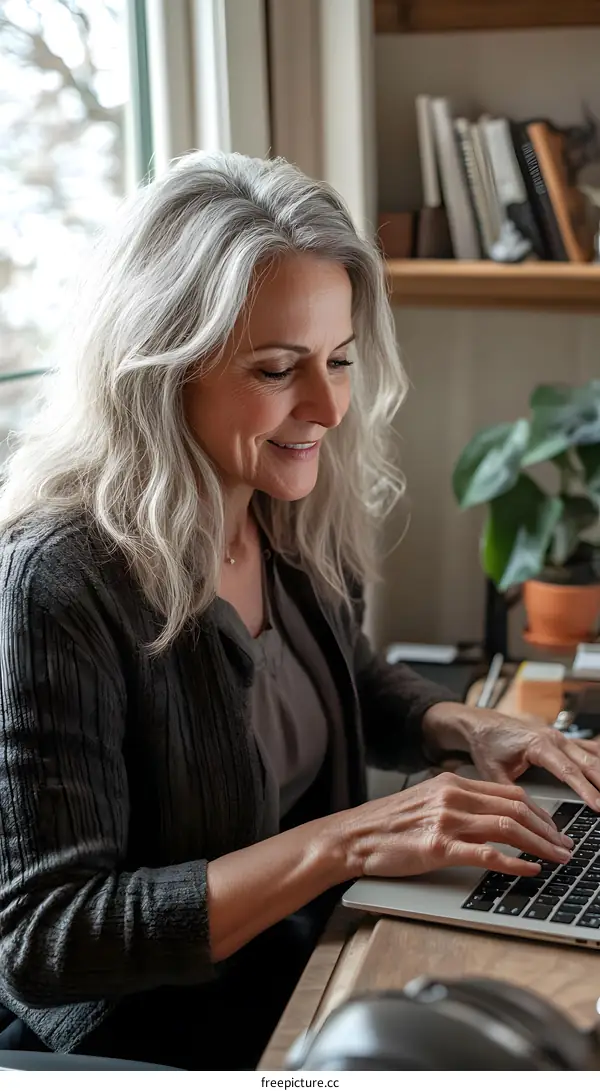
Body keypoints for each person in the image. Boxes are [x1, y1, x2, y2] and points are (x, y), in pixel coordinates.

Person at [0, 151, 599, 1071]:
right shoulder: (58, 581)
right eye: (279, 368)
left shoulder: (283, 511)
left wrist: (463, 723)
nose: (325, 405)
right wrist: (348, 840)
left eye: (340, 360)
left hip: (303, 962)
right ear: (161, 369)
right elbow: (48, 939)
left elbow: (344, 676)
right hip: (153, 1036)